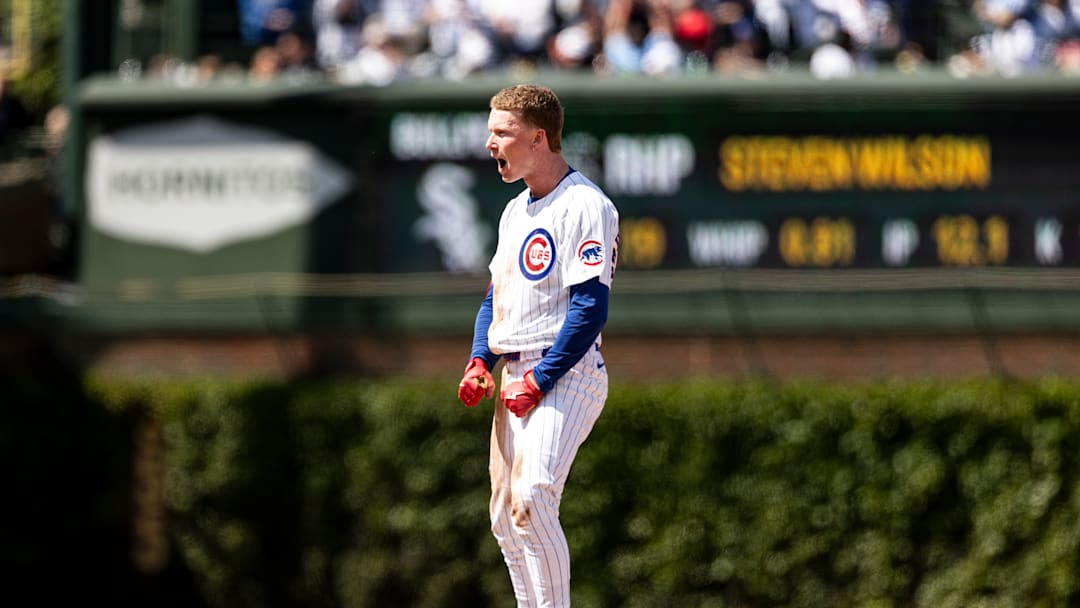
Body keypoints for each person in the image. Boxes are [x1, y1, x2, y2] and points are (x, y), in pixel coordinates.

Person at [457, 84, 619, 607]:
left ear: (538, 137)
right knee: (505, 516)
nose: (491, 143)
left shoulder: (586, 205)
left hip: (566, 373)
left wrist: (541, 377)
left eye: (502, 132)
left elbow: (590, 308)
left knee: (533, 494)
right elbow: (494, 297)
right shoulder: (513, 212)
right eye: (491, 131)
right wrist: (481, 359)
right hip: (515, 373)